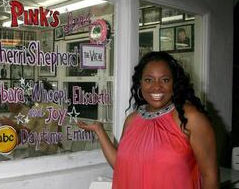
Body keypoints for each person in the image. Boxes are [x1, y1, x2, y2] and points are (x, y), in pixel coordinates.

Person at [78, 51, 218, 189]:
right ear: (140, 83)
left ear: (174, 83)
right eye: (148, 80)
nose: (156, 86)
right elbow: (121, 165)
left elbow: (210, 176)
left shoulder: (190, 118)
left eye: (165, 80)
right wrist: (99, 131)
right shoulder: (132, 120)